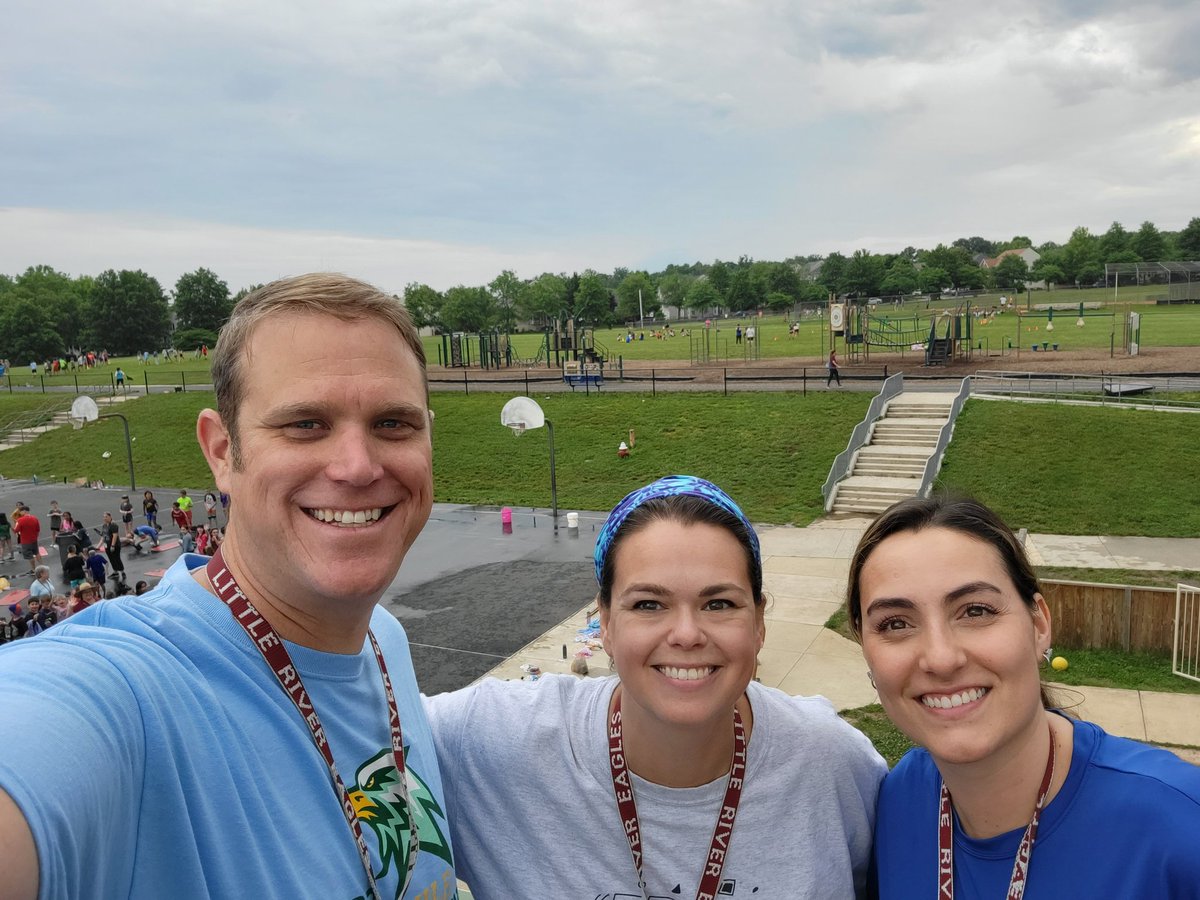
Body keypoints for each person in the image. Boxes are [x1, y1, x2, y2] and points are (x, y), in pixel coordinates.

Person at [0, 273, 457, 898]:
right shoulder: (128, 690)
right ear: (221, 451)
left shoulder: (385, 641)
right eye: (305, 424)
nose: (358, 466)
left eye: (393, 424)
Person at [425, 474, 885, 898]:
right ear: (604, 623)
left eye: (719, 603)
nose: (686, 634)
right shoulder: (488, 742)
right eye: (648, 604)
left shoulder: (837, 768)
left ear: (759, 622)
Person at [846, 495, 1200, 899]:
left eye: (975, 611)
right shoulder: (901, 800)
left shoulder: (1181, 828)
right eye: (895, 623)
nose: (941, 658)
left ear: (1038, 624)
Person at [12, 507, 40, 577]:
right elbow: (38, 529)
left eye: (20, 512)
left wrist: (11, 527)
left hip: (25, 541)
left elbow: (16, 530)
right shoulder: (35, 518)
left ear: (24, 511)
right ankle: (42, 566)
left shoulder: (20, 520)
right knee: (36, 552)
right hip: (34, 539)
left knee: (29, 556)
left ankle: (34, 569)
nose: (20, 513)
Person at [101, 511, 126, 584]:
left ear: (110, 517)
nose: (105, 518)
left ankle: (122, 571)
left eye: (106, 517)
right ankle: (115, 572)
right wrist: (99, 546)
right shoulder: (104, 526)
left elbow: (115, 536)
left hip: (114, 546)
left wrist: (113, 545)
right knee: (111, 559)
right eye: (104, 517)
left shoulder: (113, 525)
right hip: (106, 545)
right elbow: (103, 536)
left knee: (117, 558)